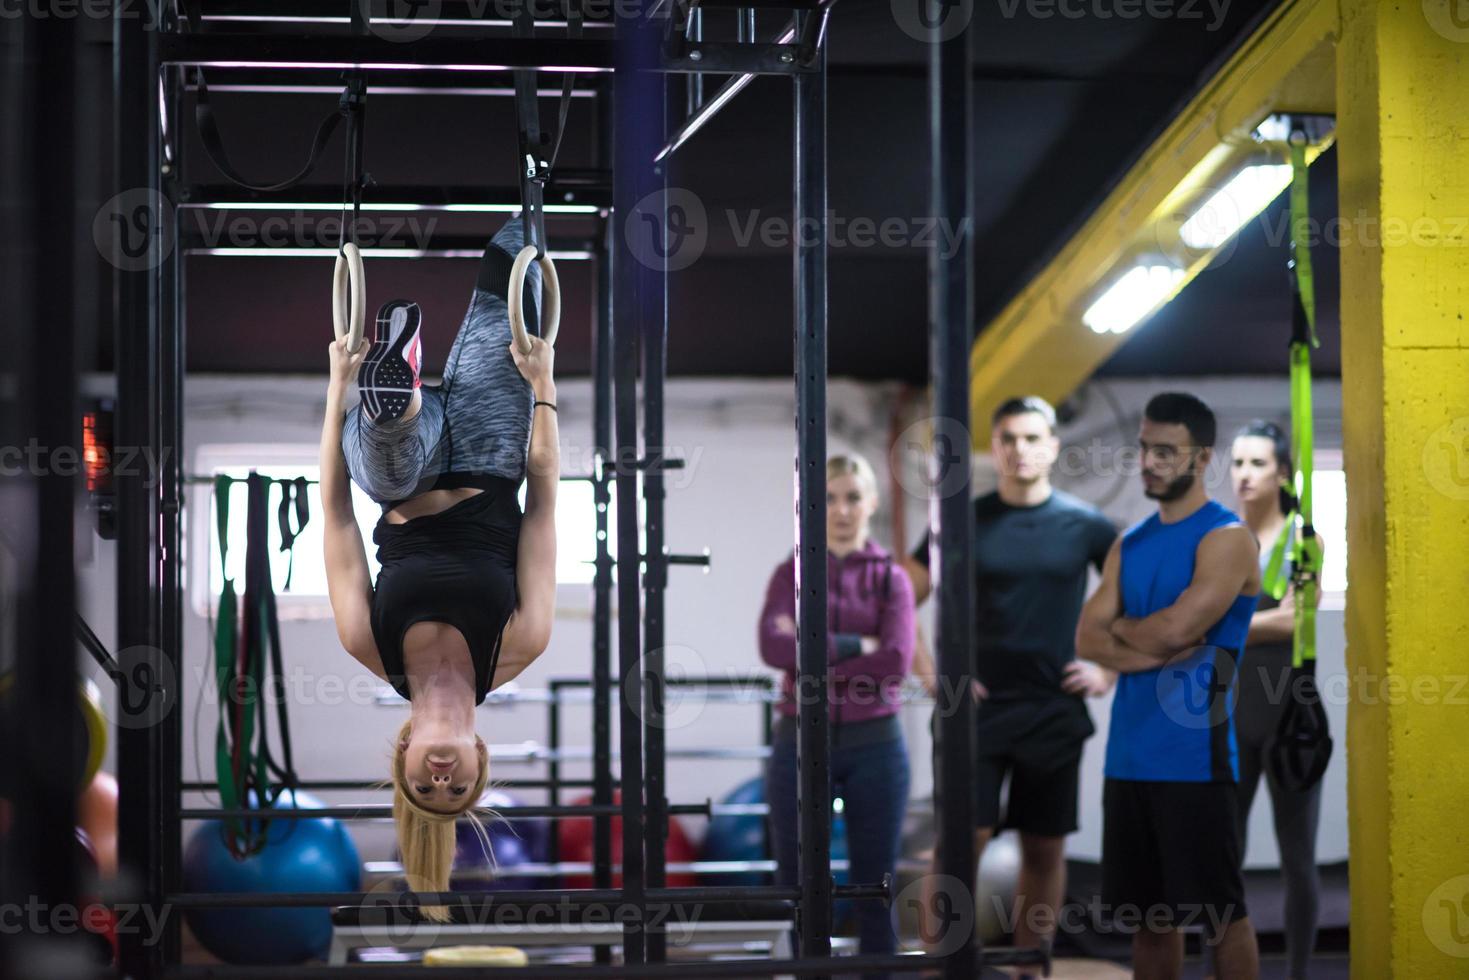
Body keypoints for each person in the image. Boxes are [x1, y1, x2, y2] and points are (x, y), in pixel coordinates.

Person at [319, 218, 559, 919]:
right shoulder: (518, 644)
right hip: (492, 451)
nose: (444, 780)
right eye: (459, 789)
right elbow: (542, 510)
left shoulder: (370, 645)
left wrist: (337, 386)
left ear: (404, 762)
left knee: (386, 451)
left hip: (406, 476)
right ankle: (530, 169)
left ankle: (395, 393)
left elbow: (335, 516)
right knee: (517, 248)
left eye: (427, 789)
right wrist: (542, 388)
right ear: (482, 757)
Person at [903, 396, 1117, 967]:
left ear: (1052, 445)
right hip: (975, 711)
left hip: (1053, 710)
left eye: (1030, 438)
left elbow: (1137, 601)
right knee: (959, 846)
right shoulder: (961, 520)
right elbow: (898, 601)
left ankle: (1029, 969)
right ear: (994, 448)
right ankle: (942, 967)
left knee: (1044, 849)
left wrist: (1108, 668)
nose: (1019, 449)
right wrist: (933, 679)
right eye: (1008, 439)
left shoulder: (1087, 526)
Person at [1076, 392, 1261, 979]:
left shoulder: (1227, 539)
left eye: (1165, 451)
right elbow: (1087, 638)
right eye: (1144, 449)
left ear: (1201, 456)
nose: (1150, 462)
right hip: (1128, 761)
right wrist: (1147, 641)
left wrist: (1128, 634)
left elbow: (1182, 627)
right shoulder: (1128, 544)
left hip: (1195, 761)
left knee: (1220, 916)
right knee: (1149, 921)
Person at [758, 452, 916, 972]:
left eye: (852, 496)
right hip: (800, 740)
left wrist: (815, 658)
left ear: (871, 502)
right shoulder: (790, 572)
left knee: (878, 882)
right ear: (811, 505)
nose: (842, 509)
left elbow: (895, 661)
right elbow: (774, 648)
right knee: (798, 882)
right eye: (828, 497)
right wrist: (856, 644)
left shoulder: (893, 579)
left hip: (877, 746)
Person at [1230, 420, 1323, 978]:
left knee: (1297, 858)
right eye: (1237, 463)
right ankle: (1230, 968)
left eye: (1257, 463)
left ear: (1282, 472)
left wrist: (1221, 624)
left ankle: (1299, 974)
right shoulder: (1223, 539)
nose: (1243, 475)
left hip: (1292, 716)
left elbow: (1296, 617)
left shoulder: (1302, 536)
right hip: (1234, 714)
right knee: (1224, 857)